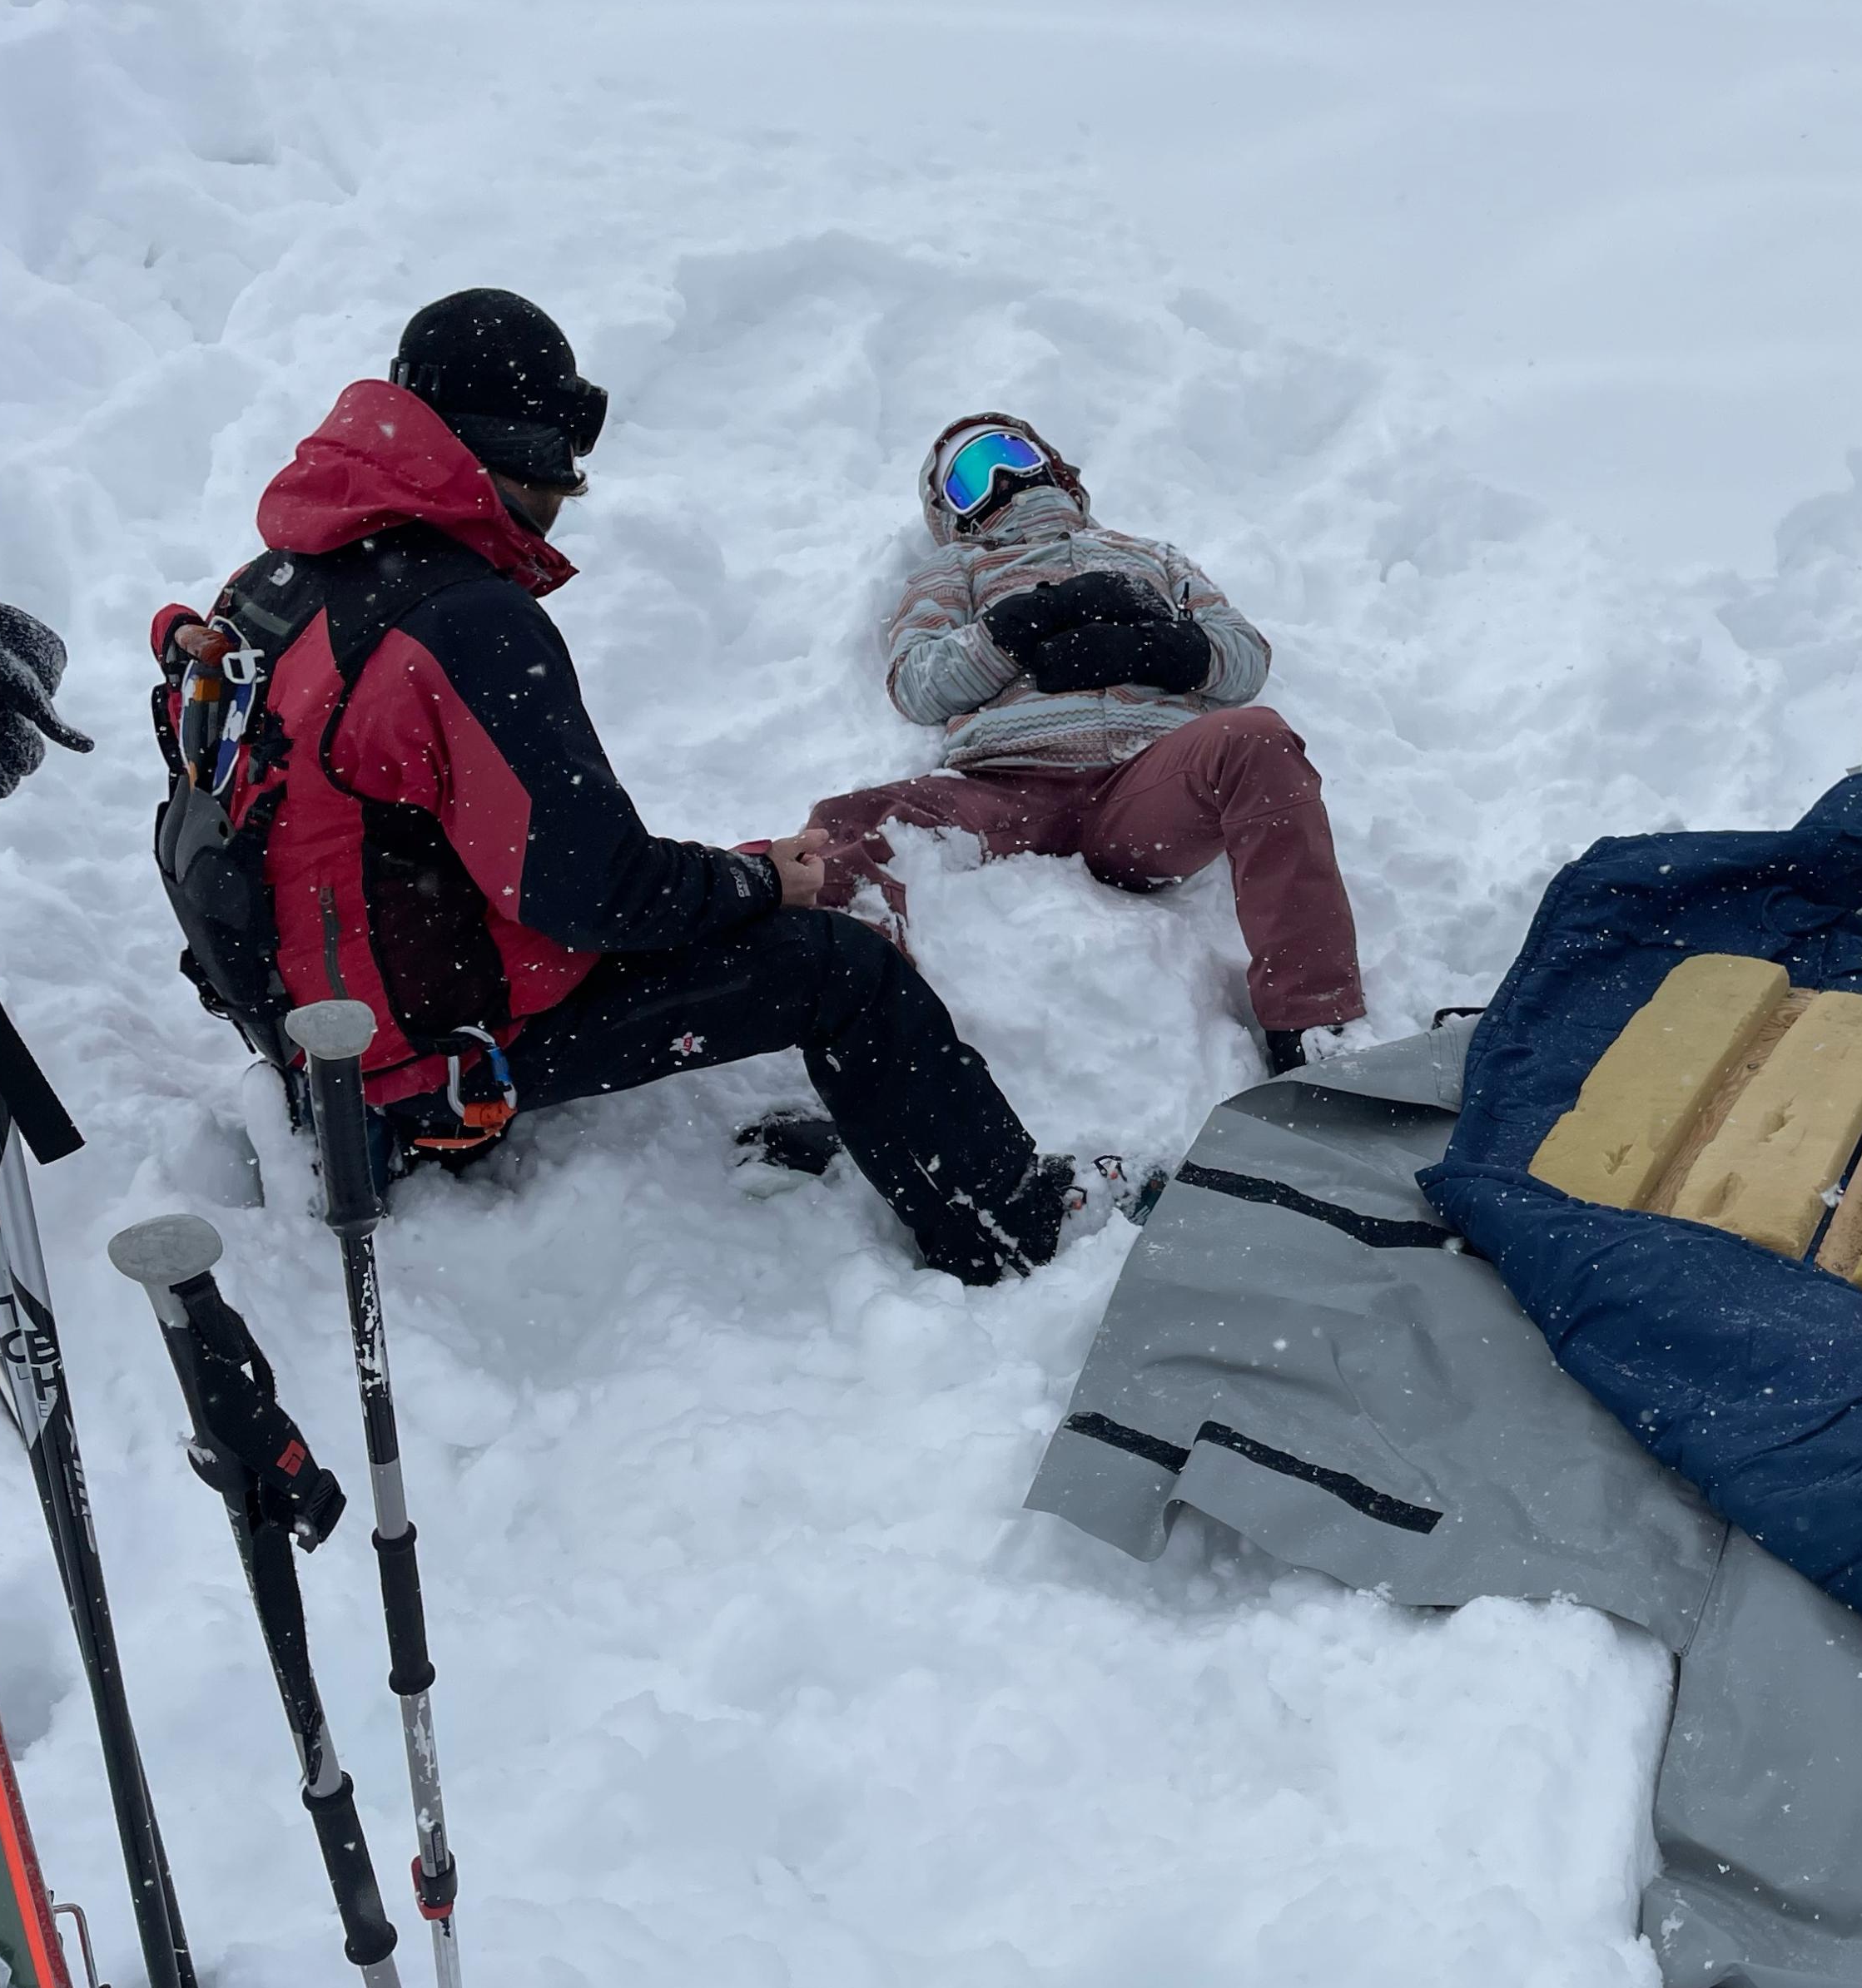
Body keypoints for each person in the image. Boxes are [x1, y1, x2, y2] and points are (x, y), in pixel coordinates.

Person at [152, 290, 1138, 1284]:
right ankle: (1012, 1228)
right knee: (845, 973)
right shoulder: (458, 620)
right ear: (529, 445)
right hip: (417, 1059)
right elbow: (593, 891)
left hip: (318, 1020)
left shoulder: (278, 583)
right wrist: (763, 883)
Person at [802, 414, 1368, 1073]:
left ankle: (1315, 1028)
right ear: (949, 513)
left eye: (1008, 452)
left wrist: (1156, 647)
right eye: (968, 477)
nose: (1003, 478)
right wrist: (1026, 619)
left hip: (1146, 789)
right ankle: (866, 1058)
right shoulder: (955, 571)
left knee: (1260, 740)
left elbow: (1244, 659)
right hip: (1008, 788)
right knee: (848, 825)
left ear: (1051, 463)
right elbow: (920, 685)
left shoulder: (1152, 557)